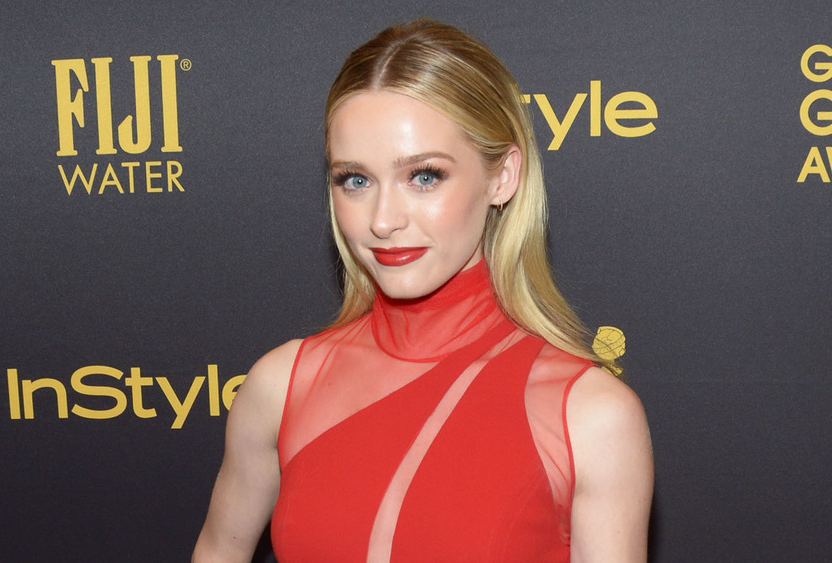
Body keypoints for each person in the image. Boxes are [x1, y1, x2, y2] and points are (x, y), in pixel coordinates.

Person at [193, 19, 653, 563]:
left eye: (425, 176)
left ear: (502, 176)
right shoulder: (280, 387)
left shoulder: (592, 417)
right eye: (355, 180)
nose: (383, 220)